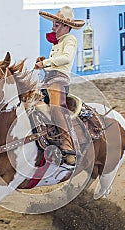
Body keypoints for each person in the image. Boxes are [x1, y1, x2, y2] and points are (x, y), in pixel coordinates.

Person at [35, 6, 84, 165]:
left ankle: (68, 146)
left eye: (56, 25)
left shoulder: (70, 40)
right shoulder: (60, 42)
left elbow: (66, 59)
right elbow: (58, 62)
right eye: (54, 24)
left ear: (65, 26)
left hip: (59, 81)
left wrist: (46, 63)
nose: (53, 27)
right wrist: (45, 65)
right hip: (49, 80)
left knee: (57, 109)